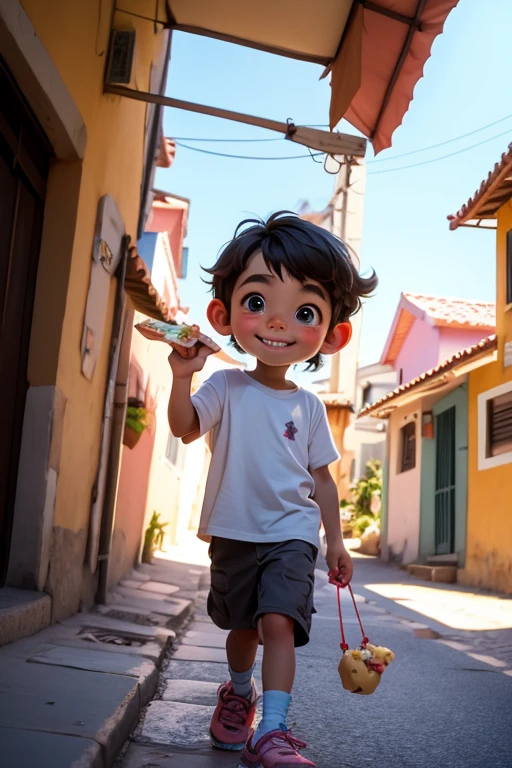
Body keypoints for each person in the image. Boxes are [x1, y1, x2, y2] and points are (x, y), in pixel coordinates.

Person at [167, 211, 377, 768]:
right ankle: (239, 691)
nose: (278, 323)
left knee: (278, 621)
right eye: (257, 303)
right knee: (244, 630)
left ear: (331, 335)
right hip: (235, 531)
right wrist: (182, 376)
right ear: (224, 313)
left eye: (304, 312)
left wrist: (335, 541)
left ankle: (273, 731)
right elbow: (185, 427)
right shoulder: (225, 386)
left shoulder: (309, 407)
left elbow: (322, 479)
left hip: (292, 534)